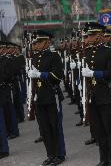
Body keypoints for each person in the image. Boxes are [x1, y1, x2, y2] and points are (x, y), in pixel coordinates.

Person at [81, 22, 111, 166]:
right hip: (93, 95)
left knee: (109, 129)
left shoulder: (109, 51)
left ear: (99, 35)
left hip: (104, 94)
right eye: (88, 35)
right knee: (99, 130)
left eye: (91, 35)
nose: (89, 38)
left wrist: (94, 73)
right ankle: (103, 159)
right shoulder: (88, 52)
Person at [27, 30, 66, 165]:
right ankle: (50, 154)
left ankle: (60, 154)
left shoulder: (54, 56)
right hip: (39, 97)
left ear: (47, 42)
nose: (37, 44)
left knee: (55, 126)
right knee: (44, 127)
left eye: (39, 42)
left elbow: (57, 76)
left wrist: (41, 75)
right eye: (36, 42)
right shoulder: (35, 57)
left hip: (51, 95)